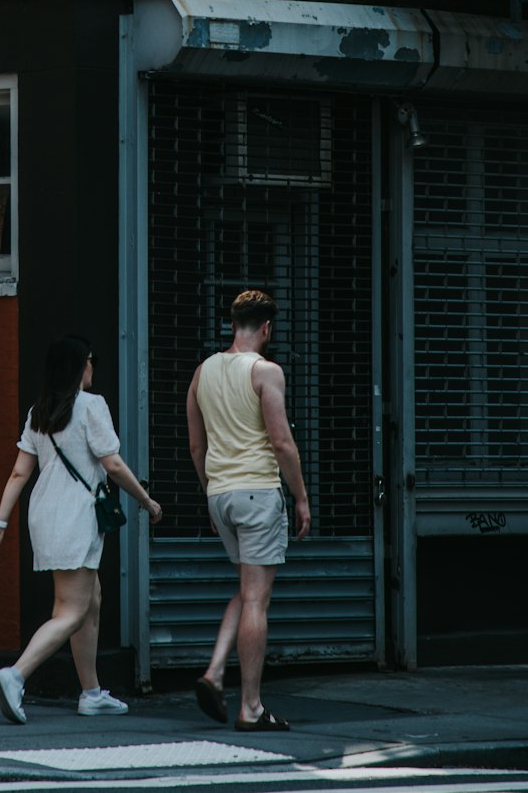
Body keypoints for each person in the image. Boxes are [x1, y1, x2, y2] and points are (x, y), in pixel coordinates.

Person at [0, 335, 162, 724]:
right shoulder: (92, 406)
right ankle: (16, 675)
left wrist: (0, 523)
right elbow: (112, 465)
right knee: (71, 610)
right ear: (80, 366)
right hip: (76, 516)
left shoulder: (38, 412)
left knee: (91, 598)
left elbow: (18, 472)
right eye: (92, 360)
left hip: (45, 515)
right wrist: (146, 501)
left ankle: (91, 693)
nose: (94, 366)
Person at [186, 289, 310, 733]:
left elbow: (196, 444)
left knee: (246, 588)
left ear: (232, 323)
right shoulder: (265, 372)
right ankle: (251, 707)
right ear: (267, 329)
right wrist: (300, 497)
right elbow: (281, 442)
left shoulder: (203, 372)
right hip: (257, 492)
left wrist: (211, 489)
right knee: (258, 598)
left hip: (220, 494)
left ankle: (215, 671)